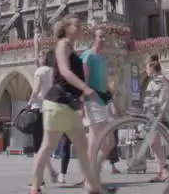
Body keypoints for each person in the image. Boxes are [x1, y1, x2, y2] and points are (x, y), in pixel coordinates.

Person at [27, 16, 108, 194]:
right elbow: (64, 71)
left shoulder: (70, 47)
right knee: (47, 147)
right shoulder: (62, 44)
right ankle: (34, 188)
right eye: (77, 25)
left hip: (69, 106)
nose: (81, 27)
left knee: (83, 148)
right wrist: (85, 88)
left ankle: (93, 187)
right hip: (57, 104)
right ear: (67, 28)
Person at [81, 28, 118, 174]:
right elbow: (84, 81)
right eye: (100, 36)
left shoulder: (103, 59)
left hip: (104, 100)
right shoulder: (87, 55)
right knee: (95, 137)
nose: (103, 40)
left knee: (110, 142)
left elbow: (104, 82)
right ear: (94, 38)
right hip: (92, 100)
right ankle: (90, 174)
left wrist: (111, 100)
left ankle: (93, 169)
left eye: (105, 37)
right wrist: (83, 103)